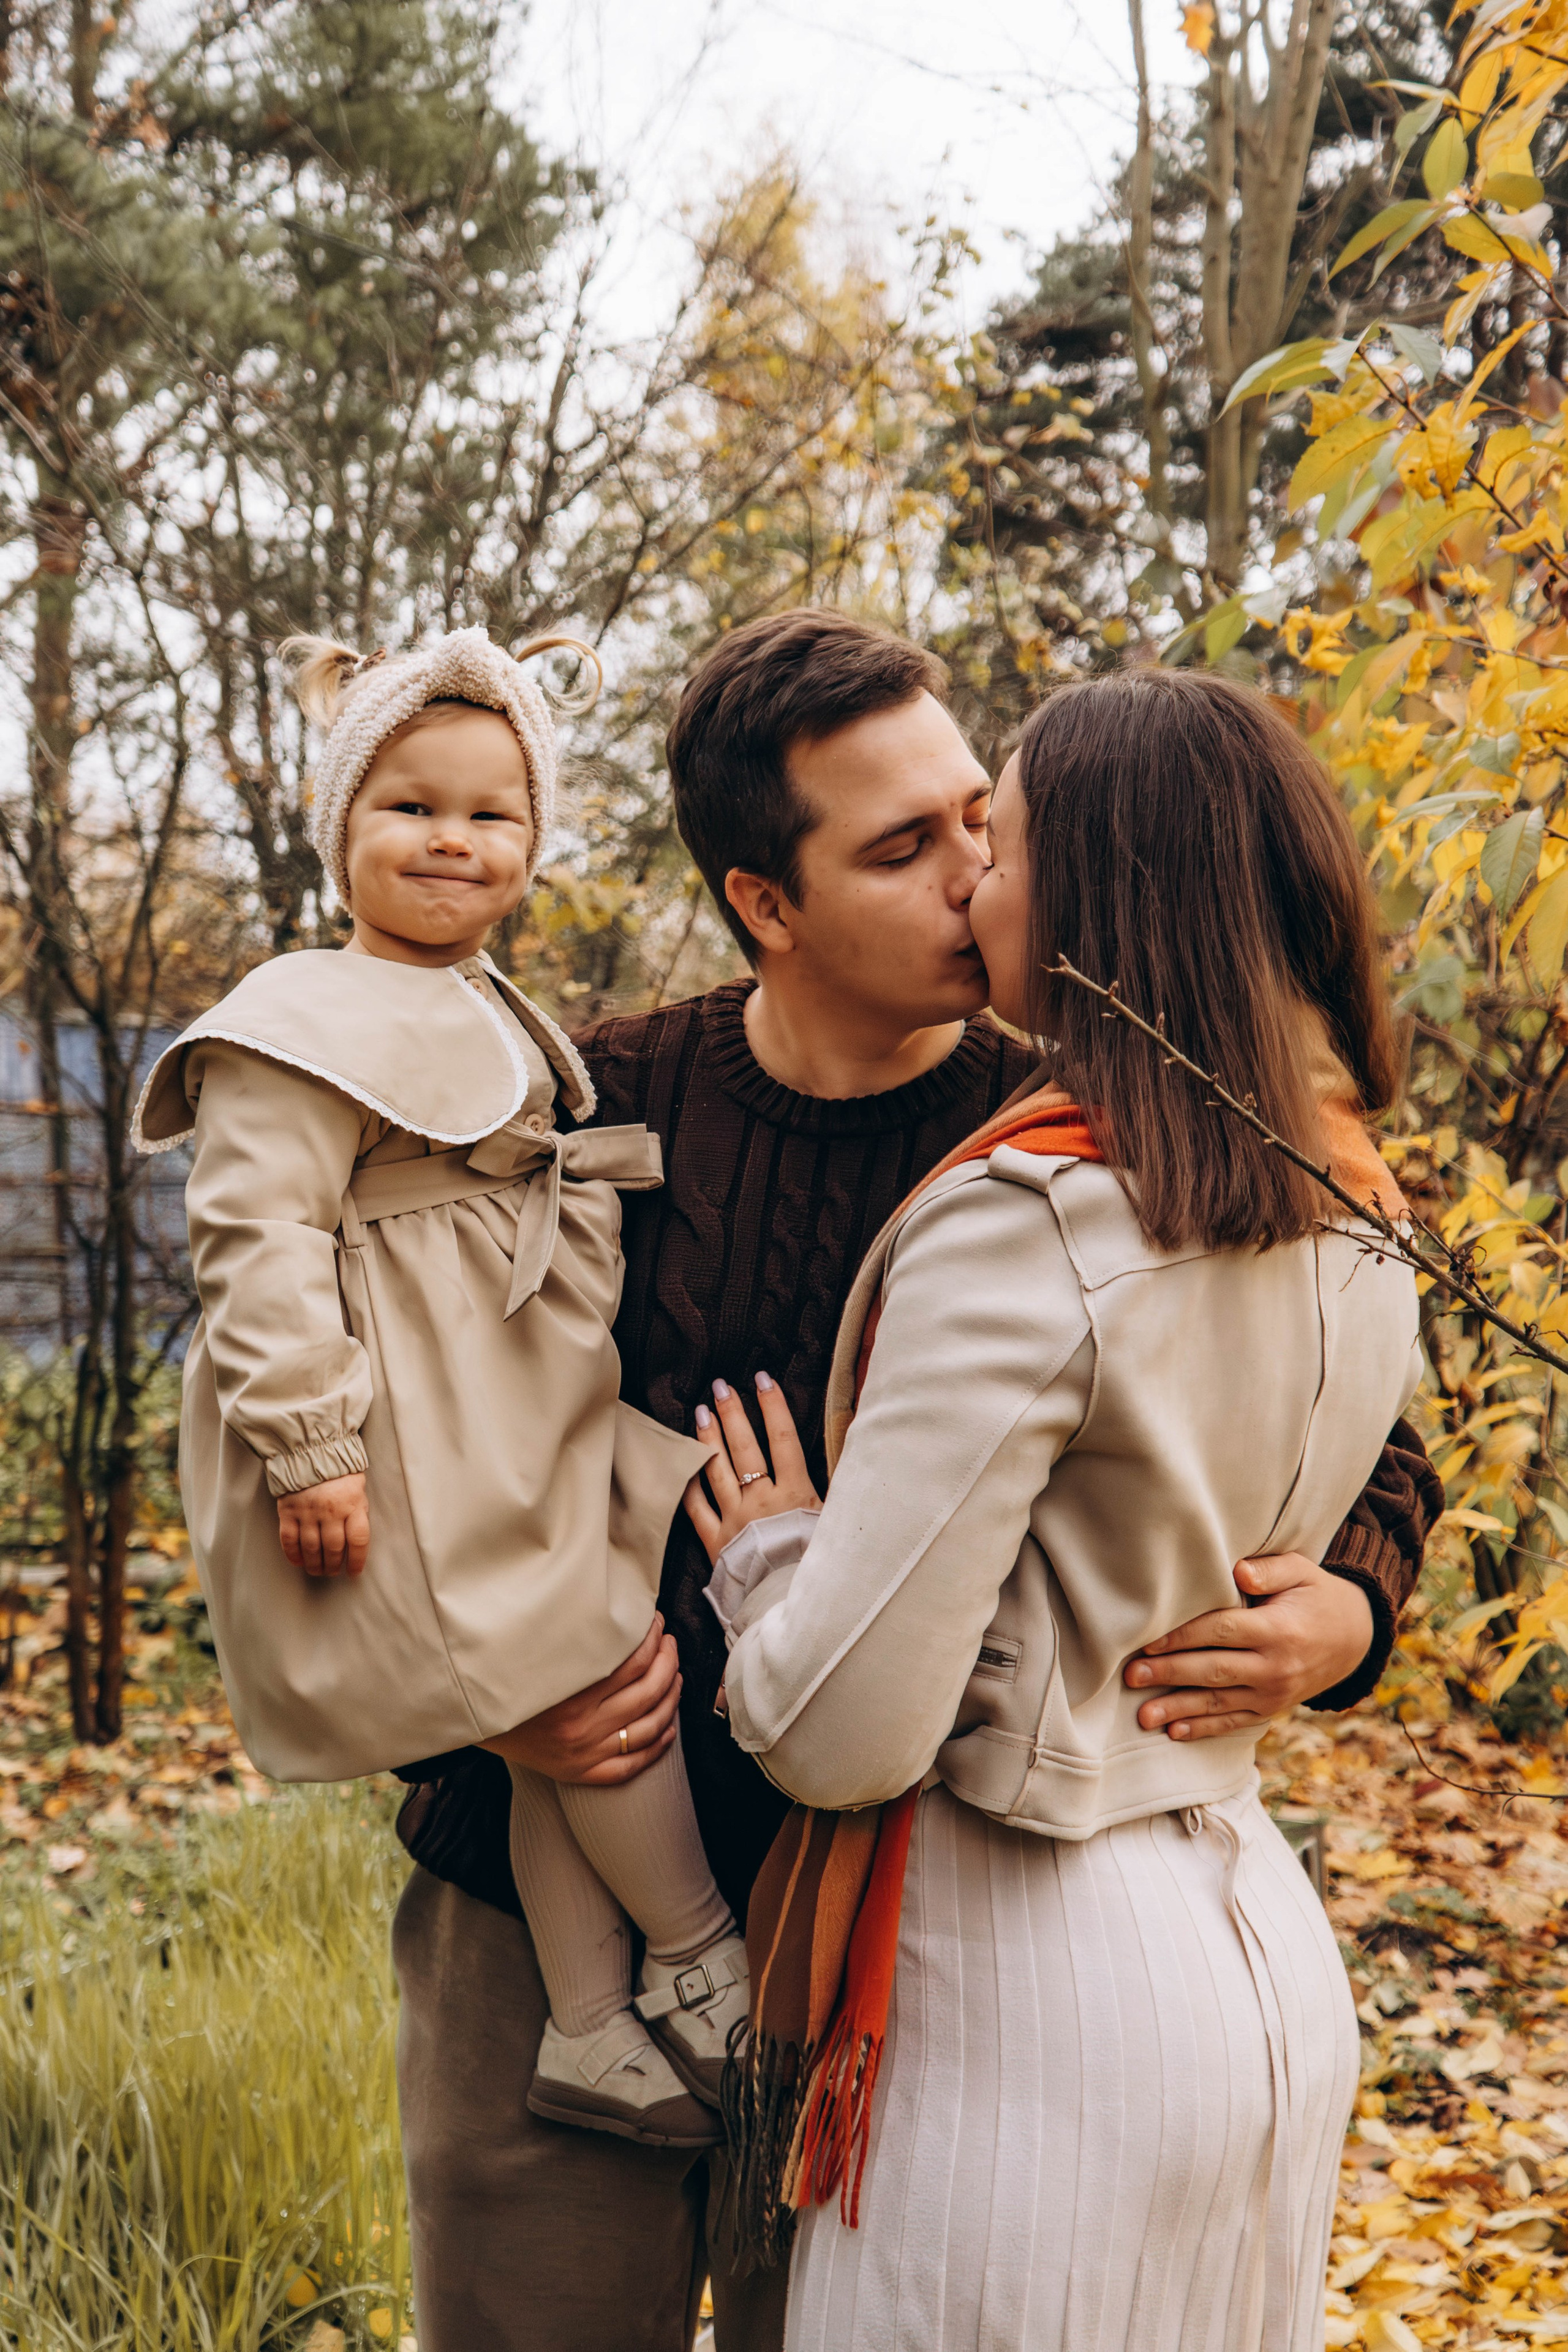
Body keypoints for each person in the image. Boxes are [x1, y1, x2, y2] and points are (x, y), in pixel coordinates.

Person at [390, 614, 1442, 2352]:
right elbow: (391, 1452)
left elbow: (1348, 1415)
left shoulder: (1079, 1137)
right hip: (553, 1920)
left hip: (897, 1969)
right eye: (901, 849)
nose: (972, 880)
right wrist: (485, 1704)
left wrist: (1349, 1603)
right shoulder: (584, 1107)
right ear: (764, 903)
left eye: (979, 821)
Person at [692, 666, 1423, 2351]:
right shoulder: (1353, 1197)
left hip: (1038, 1988)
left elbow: (844, 1731)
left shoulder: (1035, 1223)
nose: (972, 884)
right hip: (1256, 1937)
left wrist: (772, 1559)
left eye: (999, 841)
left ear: (1101, 895)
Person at [133, 627, 748, 2155]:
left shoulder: (487, 1000)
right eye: (409, 805)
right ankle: (694, 1960)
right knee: (600, 1674)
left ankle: (592, 2024)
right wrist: (311, 1442)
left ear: (534, 842)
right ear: (340, 823)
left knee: (565, 1679)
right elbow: (255, 1234)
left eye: (492, 814)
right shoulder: (299, 1012)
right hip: (410, 1421)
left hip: (512, 1403)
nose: (451, 840)